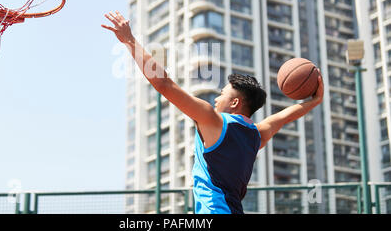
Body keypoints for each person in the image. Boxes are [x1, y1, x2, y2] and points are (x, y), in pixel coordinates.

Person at [102, 11, 324, 214]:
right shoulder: (255, 135)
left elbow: (164, 85)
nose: (217, 98)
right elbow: (283, 118)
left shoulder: (214, 121)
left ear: (235, 102)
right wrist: (316, 100)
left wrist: (130, 40)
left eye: (222, 93)